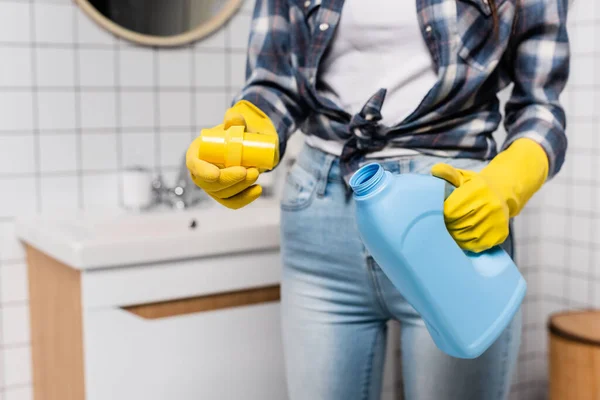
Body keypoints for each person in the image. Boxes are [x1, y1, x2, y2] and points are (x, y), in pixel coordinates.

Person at [186, 0, 569, 398]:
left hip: (449, 222)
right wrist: (250, 127)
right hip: (320, 218)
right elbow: (274, 82)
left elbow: (541, 104)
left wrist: (510, 179)